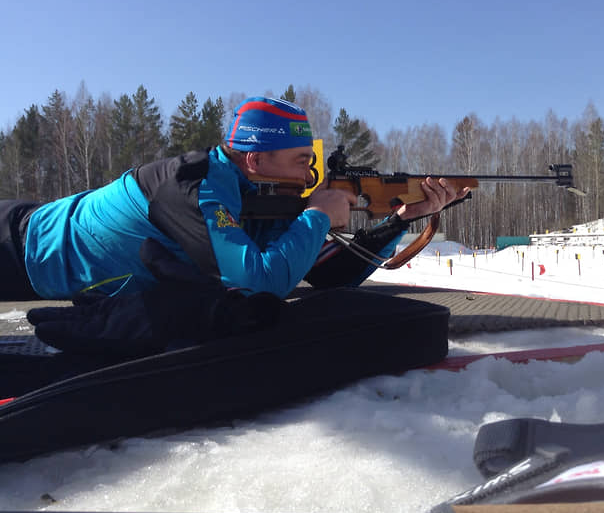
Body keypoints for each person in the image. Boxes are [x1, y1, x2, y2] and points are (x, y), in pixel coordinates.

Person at [1, 97, 468, 352]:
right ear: (256, 157)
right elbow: (258, 286)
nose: (310, 174)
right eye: (301, 160)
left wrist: (402, 221)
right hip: (15, 243)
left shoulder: (261, 193)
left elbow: (324, 275)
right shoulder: (195, 184)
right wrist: (319, 214)